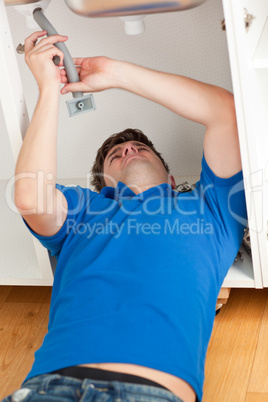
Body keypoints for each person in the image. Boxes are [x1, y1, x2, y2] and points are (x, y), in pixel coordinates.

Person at [4, 30, 247, 402]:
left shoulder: (209, 208)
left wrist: (116, 73)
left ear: (171, 178)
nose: (128, 148)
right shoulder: (84, 211)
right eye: (116, 153)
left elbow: (227, 113)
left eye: (140, 147)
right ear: (102, 181)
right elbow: (30, 198)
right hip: (50, 389)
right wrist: (49, 89)